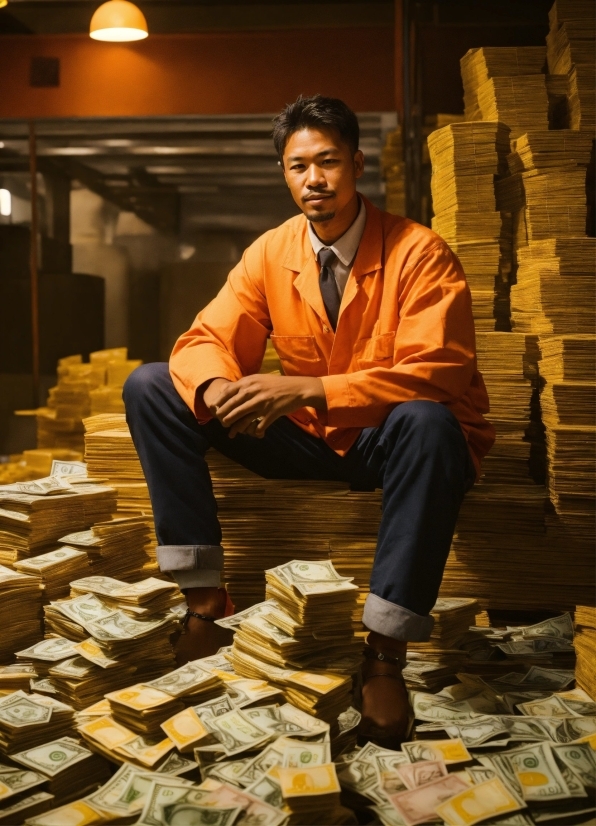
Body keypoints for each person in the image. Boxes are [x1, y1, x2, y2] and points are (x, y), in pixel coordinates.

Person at [123, 94, 495, 748]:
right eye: (298, 166)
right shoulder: (271, 252)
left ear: (357, 164)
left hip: (389, 442)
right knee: (153, 383)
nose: (314, 179)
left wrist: (311, 389)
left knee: (431, 422)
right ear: (285, 174)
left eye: (328, 162)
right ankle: (207, 603)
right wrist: (216, 383)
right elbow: (207, 335)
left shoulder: (420, 252)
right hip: (313, 440)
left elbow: (440, 370)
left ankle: (383, 653)